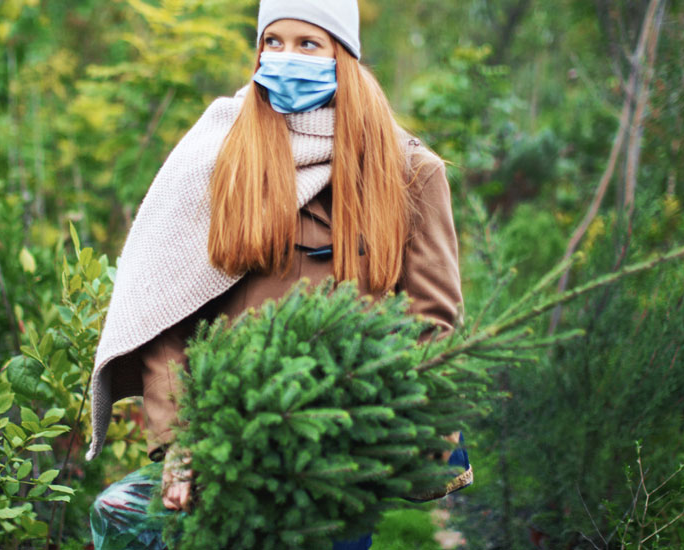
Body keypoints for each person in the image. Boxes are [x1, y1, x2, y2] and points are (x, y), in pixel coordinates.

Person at [85, 1, 467, 548]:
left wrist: (403, 446)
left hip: (336, 467)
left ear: (344, 56)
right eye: (273, 42)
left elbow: (431, 323)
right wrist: (179, 443)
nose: (286, 58)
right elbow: (162, 313)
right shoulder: (219, 155)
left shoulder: (407, 171)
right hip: (223, 455)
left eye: (308, 44)